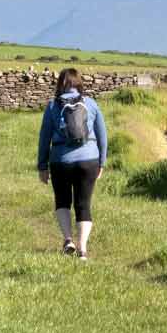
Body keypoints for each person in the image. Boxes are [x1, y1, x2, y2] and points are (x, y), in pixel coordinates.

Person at [37, 67, 108, 260]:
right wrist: (102, 162)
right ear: (79, 83)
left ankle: (68, 240)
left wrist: (42, 166)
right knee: (83, 204)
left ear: (60, 84)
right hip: (88, 161)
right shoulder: (91, 104)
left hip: (61, 161)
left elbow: (44, 138)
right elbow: (102, 136)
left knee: (62, 201)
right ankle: (82, 249)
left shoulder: (52, 106)